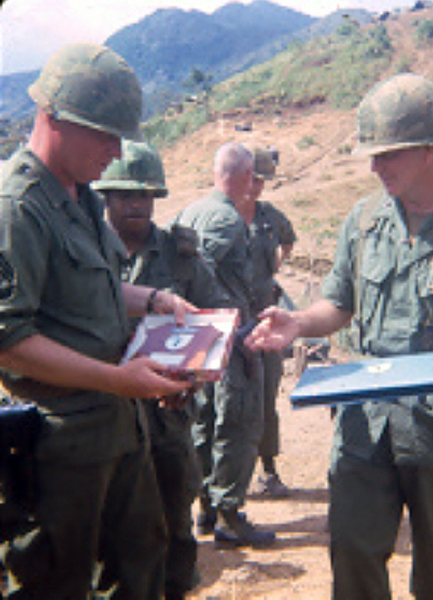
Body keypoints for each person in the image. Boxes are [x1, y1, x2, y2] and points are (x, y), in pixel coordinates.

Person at [246, 73, 433, 600]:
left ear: (430, 148)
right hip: (365, 423)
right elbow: (338, 304)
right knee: (354, 561)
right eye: (371, 154)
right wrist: (298, 324)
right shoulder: (363, 222)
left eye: (388, 154)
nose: (374, 167)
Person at [0, 43, 199, 599]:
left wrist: (157, 301)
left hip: (120, 424)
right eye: (104, 136)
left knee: (140, 566)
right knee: (57, 583)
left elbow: (97, 288)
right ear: (54, 119)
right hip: (62, 443)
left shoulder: (82, 197)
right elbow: (9, 342)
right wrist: (118, 379)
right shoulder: (17, 208)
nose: (115, 153)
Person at [93, 140, 232, 599]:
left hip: (167, 416)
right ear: (105, 196)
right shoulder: (87, 251)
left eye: (145, 195)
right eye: (124, 195)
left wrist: (191, 378)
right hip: (103, 412)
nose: (136, 204)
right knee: (110, 535)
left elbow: (213, 322)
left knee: (174, 526)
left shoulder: (181, 253)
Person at [172, 142, 276, 547]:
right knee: (239, 423)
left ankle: (206, 509)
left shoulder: (191, 211)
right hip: (229, 334)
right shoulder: (228, 220)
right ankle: (229, 514)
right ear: (246, 177)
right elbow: (200, 272)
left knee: (204, 422)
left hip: (200, 335)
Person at [239, 146, 296, 498]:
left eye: (262, 180)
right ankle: (221, 483)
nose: (256, 187)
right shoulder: (219, 216)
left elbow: (288, 240)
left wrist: (275, 265)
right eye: (251, 179)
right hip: (229, 321)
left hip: (265, 319)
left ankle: (269, 470)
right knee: (222, 402)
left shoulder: (269, 217)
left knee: (266, 399)